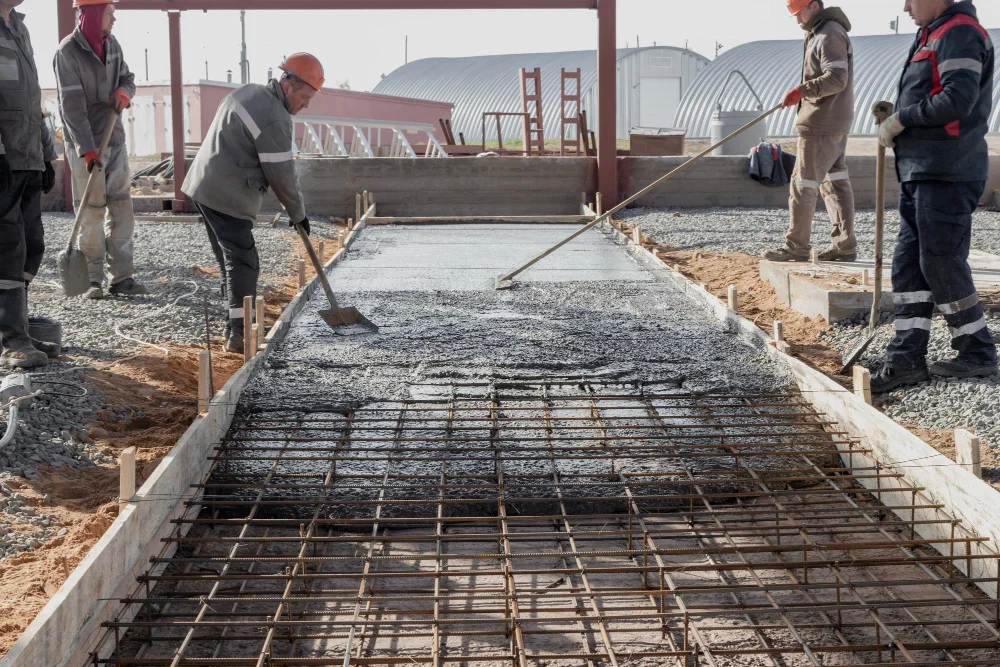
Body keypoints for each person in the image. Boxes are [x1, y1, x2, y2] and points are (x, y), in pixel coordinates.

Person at [871, 0, 997, 393]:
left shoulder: (958, 32)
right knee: (909, 264)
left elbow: (958, 101)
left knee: (940, 261)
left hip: (948, 169)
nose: (906, 7)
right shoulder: (932, 33)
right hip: (922, 169)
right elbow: (938, 94)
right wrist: (898, 110)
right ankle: (906, 357)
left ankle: (977, 351)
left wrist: (903, 118)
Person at [182, 54, 322, 353]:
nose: (306, 104)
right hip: (225, 194)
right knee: (244, 261)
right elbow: (282, 174)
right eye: (305, 97)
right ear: (288, 87)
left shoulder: (248, 91)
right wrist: (298, 214)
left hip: (204, 185)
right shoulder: (275, 117)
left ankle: (233, 323)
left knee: (229, 261)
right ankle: (240, 334)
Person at [54, 0, 147, 300]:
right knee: (92, 211)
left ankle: (122, 277)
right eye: (109, 13)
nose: (114, 19)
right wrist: (87, 150)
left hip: (114, 138)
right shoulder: (67, 53)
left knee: (121, 208)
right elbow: (72, 107)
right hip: (86, 145)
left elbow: (128, 79)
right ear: (91, 15)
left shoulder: (113, 46)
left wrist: (124, 92)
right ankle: (92, 279)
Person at [763, 0, 857, 263]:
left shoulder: (829, 34)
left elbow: (837, 79)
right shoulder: (821, 32)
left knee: (802, 183)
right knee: (835, 182)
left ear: (814, 5)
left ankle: (796, 247)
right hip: (831, 121)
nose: (797, 20)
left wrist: (802, 91)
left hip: (821, 122)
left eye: (799, 12)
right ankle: (844, 246)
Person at [0, 0, 60, 368]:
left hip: (27, 157)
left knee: (30, 245)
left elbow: (33, 98)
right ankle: (13, 340)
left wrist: (48, 153)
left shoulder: (19, 28)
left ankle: (16, 324)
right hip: (4, 158)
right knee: (7, 248)